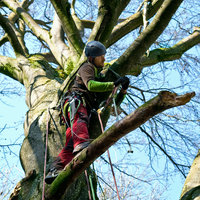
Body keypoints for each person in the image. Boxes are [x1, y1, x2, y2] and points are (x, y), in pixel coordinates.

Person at [45, 41, 129, 184]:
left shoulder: (99, 76)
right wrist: (113, 84)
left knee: (71, 143)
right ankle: (82, 144)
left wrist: (123, 89)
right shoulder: (86, 67)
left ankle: (56, 168)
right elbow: (90, 85)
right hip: (76, 102)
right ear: (91, 58)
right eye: (100, 56)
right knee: (80, 121)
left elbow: (113, 104)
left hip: (79, 112)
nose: (103, 58)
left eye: (103, 55)